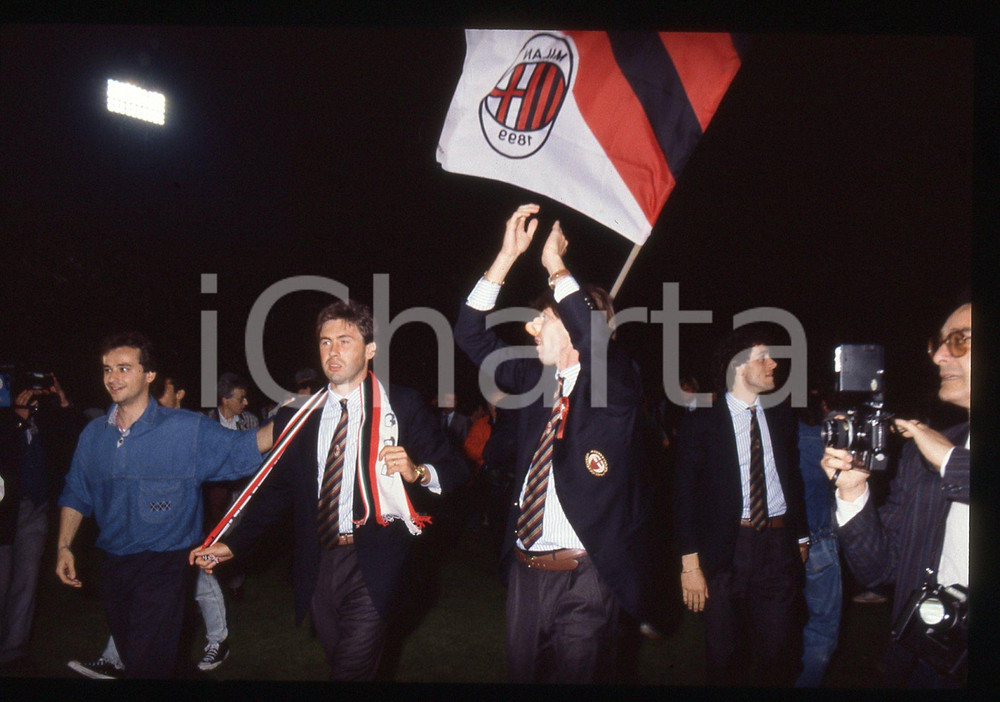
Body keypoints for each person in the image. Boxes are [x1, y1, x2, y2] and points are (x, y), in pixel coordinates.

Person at [190, 300, 466, 681]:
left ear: (370, 349)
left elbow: (455, 469)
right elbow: (278, 492)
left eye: (344, 341)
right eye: (325, 342)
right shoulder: (302, 414)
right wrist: (234, 543)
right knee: (343, 662)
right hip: (319, 560)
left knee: (350, 670)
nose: (333, 352)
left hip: (376, 561)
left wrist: (417, 472)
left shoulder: (400, 404)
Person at [453, 204, 666, 683]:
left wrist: (555, 266)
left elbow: (596, 344)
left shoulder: (616, 386)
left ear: (574, 325)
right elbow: (469, 334)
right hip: (526, 571)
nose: (530, 328)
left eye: (542, 319)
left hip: (586, 577)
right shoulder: (534, 380)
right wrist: (506, 258)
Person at [56, 332, 273, 679]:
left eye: (124, 368)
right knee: (146, 659)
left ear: (149, 374)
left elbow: (245, 447)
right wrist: (64, 546)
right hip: (113, 565)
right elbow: (76, 492)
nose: (113, 378)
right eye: (108, 369)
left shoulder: (186, 429)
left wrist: (298, 416)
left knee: (147, 664)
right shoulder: (94, 434)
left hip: (165, 565)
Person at [821, 301, 970, 687]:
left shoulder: (938, 452)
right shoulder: (923, 455)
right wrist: (853, 491)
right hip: (926, 656)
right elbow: (880, 571)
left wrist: (950, 461)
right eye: (938, 343)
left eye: (960, 340)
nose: (939, 356)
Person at [673, 325, 809, 687]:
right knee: (724, 657)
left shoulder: (780, 415)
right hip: (726, 549)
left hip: (777, 547)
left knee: (779, 655)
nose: (773, 364)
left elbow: (791, 477)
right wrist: (690, 565)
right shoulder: (702, 423)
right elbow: (684, 496)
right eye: (762, 357)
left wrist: (801, 536)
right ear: (737, 366)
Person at [1, 374, 79, 668]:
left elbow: (73, 437)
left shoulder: (45, 418)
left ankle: (14, 651)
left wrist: (63, 402)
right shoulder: (7, 417)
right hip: (5, 511)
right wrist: (16, 419)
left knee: (27, 581)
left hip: (36, 508)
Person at [794, 383, 842, 687]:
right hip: (819, 539)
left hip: (779, 539)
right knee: (822, 627)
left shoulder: (770, 437)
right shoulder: (821, 439)